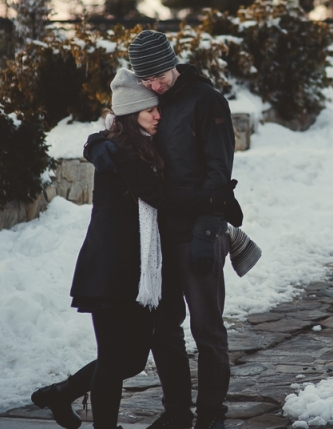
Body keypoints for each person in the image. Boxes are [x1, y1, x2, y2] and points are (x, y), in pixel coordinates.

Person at [31, 68, 235, 429]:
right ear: (131, 114)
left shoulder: (142, 144)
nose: (158, 115)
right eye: (149, 110)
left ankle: (61, 394)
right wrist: (215, 201)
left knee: (132, 359)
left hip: (140, 267)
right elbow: (160, 196)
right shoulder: (122, 152)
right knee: (116, 359)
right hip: (111, 270)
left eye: (158, 108)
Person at [86, 30, 237, 429]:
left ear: (173, 61)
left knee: (207, 329)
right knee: (164, 330)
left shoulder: (206, 101)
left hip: (198, 234)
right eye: (146, 79)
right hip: (158, 239)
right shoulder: (155, 100)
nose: (154, 86)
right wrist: (97, 142)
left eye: (159, 77)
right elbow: (126, 124)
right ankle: (176, 414)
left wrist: (208, 231)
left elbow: (220, 173)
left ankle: (211, 417)